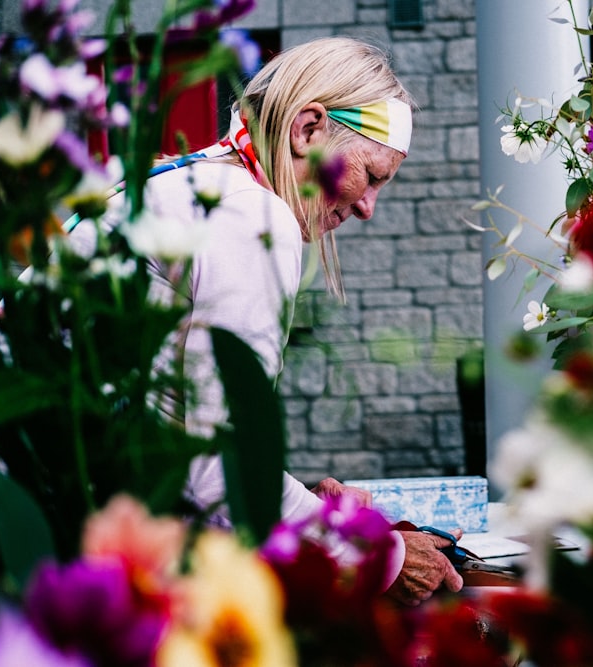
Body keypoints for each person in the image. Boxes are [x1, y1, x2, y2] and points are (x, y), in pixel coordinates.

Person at [71, 36, 463, 606]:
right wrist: (379, 553)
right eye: (371, 176)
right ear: (308, 130)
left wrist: (307, 505)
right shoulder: (249, 215)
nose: (367, 208)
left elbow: (184, 444)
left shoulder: (198, 182)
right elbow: (224, 478)